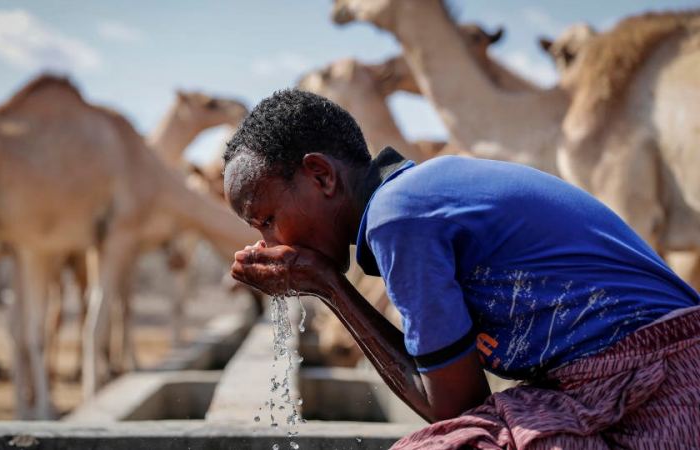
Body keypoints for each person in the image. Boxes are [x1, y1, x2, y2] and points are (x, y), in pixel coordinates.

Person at [222, 89, 700, 449]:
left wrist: (327, 285)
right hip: (634, 379)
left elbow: (456, 410)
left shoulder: (399, 217)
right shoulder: (415, 195)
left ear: (321, 175)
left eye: (267, 219)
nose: (269, 242)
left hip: (661, 384)